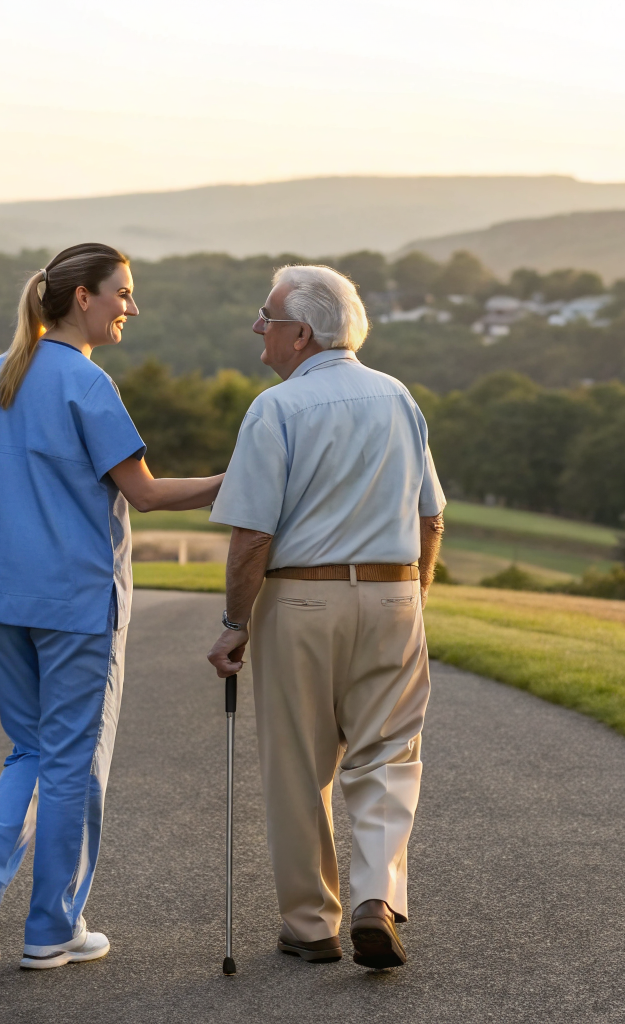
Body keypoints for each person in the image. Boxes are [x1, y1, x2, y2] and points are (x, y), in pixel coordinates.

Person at [0, 243, 223, 969]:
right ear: (82, 299)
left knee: (32, 748)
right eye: (122, 294)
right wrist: (241, 475)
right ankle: (51, 928)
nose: (131, 307)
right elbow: (147, 493)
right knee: (72, 761)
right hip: (73, 598)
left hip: (2, 592)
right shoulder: (88, 385)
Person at [206, 264, 445, 969]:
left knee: (297, 764)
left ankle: (311, 926)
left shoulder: (275, 408)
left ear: (300, 334)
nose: (259, 328)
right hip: (395, 591)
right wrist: (413, 600)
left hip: (302, 599)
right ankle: (376, 897)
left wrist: (234, 622)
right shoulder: (398, 396)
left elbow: (251, 533)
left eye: (267, 317)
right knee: (388, 756)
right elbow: (430, 516)